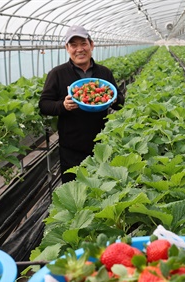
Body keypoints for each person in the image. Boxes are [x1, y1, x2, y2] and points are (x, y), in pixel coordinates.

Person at [39, 25, 124, 183]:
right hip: (71, 148)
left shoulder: (104, 73)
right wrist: (62, 106)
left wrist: (114, 100)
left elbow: (120, 102)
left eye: (83, 44)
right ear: (67, 48)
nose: (79, 49)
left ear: (91, 45)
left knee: (101, 188)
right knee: (75, 190)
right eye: (74, 45)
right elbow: (44, 105)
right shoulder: (57, 74)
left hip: (101, 146)